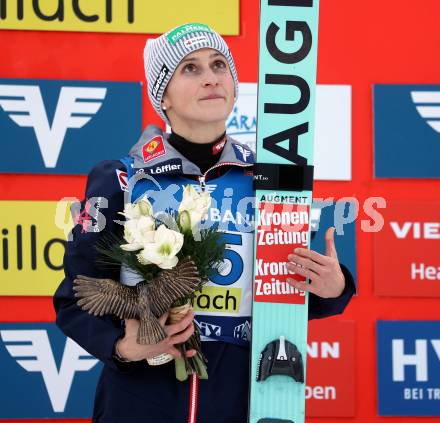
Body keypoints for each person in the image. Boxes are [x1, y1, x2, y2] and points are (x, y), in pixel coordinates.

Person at [54, 22, 355, 423]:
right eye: (190, 69)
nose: (211, 78)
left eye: (219, 65)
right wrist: (122, 347)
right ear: (164, 95)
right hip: (140, 402)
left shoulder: (271, 179)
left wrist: (332, 288)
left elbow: (284, 291)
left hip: (241, 400)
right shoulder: (121, 179)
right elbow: (74, 296)